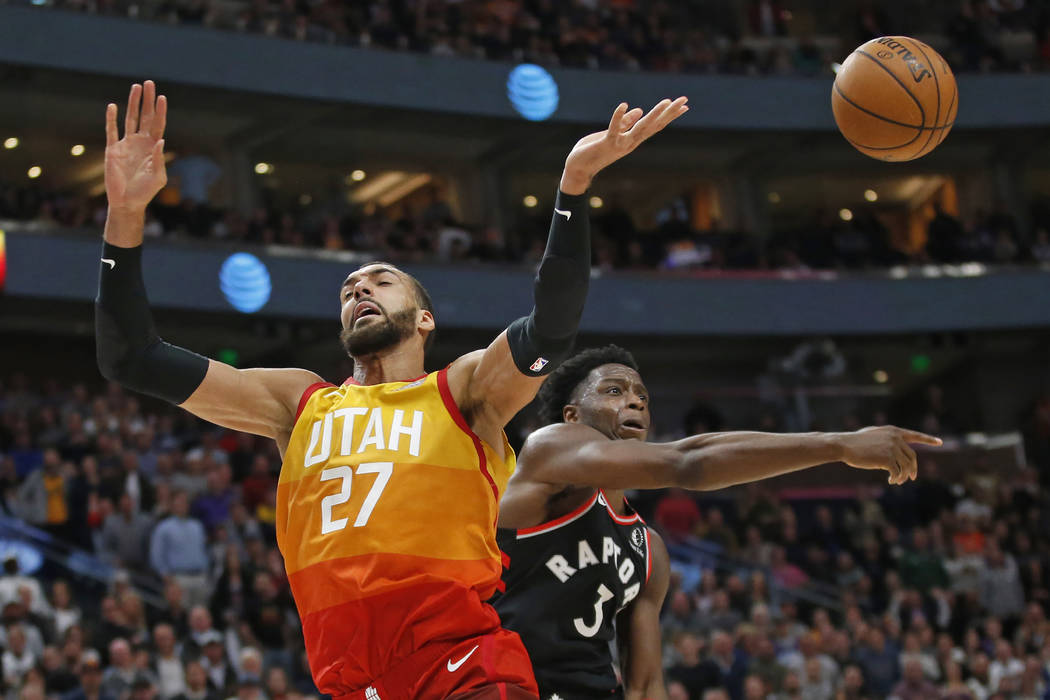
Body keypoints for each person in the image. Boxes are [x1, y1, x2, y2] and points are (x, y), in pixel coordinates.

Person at [95, 80, 688, 700]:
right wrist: (126, 216)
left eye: (380, 281)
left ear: (424, 318)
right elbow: (131, 357)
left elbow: (552, 328)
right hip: (353, 683)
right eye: (349, 289)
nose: (359, 290)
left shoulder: (462, 392)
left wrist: (571, 189)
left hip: (461, 665)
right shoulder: (297, 403)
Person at [492, 345, 940, 700]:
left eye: (642, 396)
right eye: (613, 390)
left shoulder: (649, 549)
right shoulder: (548, 451)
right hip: (499, 684)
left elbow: (645, 687)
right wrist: (839, 445)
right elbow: (687, 461)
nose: (634, 400)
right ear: (572, 415)